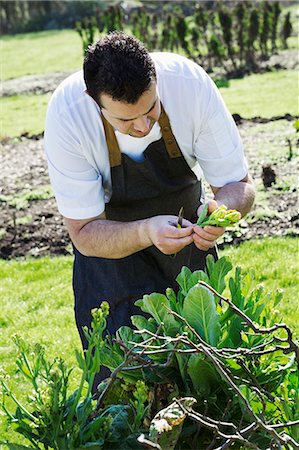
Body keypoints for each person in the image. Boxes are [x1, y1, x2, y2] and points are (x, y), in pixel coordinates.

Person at [44, 31, 255, 386]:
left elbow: (240, 186)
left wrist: (220, 212)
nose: (143, 126)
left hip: (185, 239)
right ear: (93, 100)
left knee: (205, 370)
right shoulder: (68, 117)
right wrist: (145, 231)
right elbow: (83, 233)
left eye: (151, 108)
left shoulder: (189, 85)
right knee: (124, 384)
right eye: (126, 120)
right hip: (110, 255)